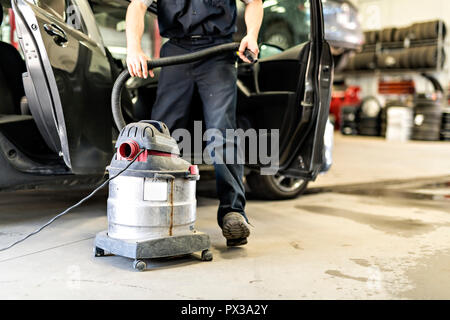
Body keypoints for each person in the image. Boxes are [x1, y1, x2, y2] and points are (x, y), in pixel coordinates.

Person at [126, 0, 263, 247]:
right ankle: (155, 209)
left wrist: (252, 35)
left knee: (222, 131)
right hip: (176, 51)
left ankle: (233, 213)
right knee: (161, 134)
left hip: (218, 52)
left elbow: (254, 2)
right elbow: (137, 6)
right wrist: (133, 48)